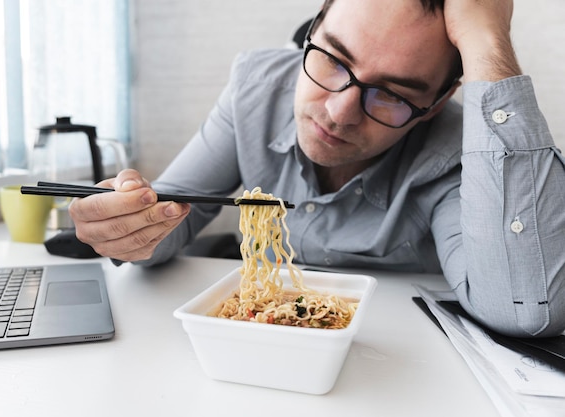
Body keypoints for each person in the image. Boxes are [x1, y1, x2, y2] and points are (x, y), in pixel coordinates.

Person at [69, 0, 565, 337]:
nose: (337, 112)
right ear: (311, 32)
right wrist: (129, 224)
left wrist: (486, 41)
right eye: (332, 58)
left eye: (392, 95)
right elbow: (169, 220)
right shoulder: (257, 87)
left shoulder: (462, 151)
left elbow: (524, 309)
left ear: (434, 105)